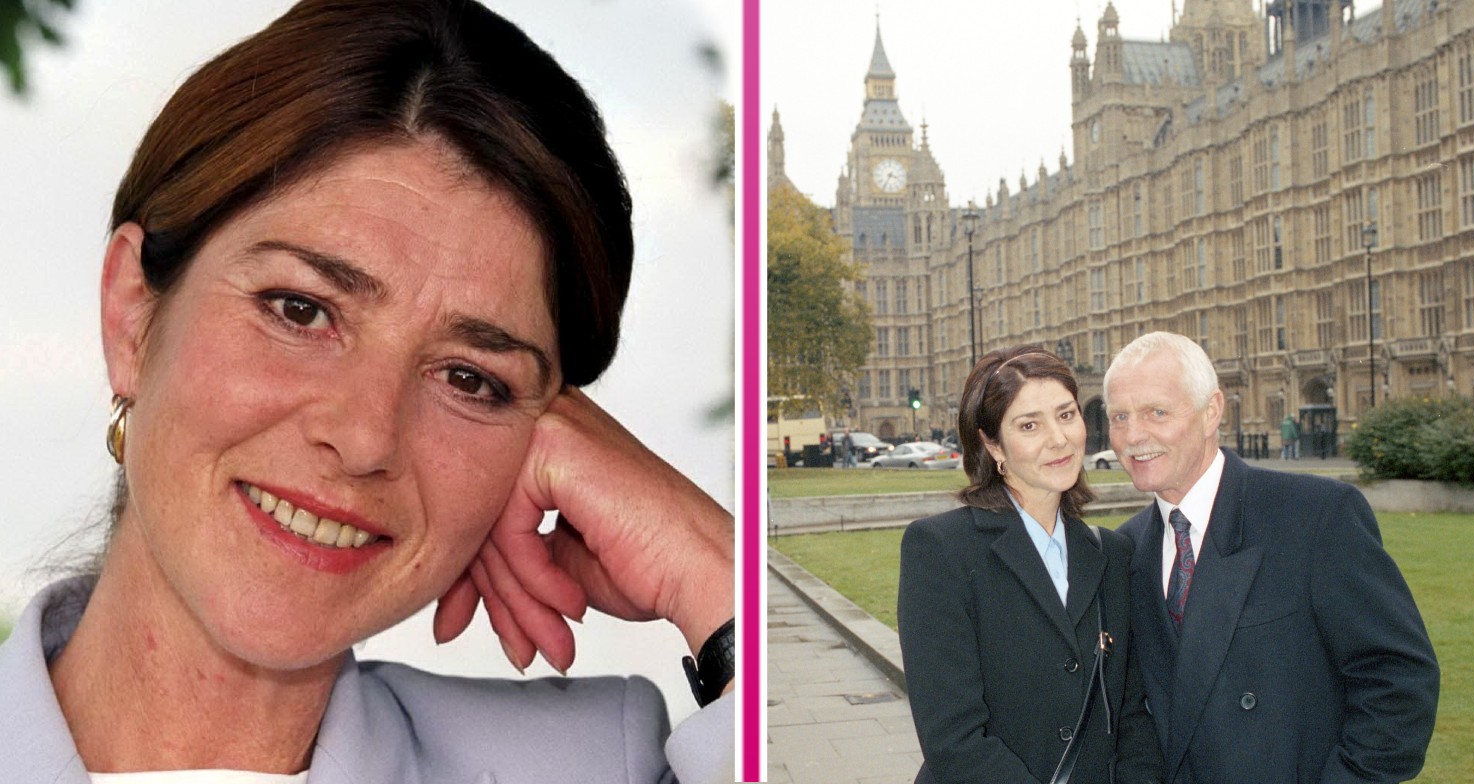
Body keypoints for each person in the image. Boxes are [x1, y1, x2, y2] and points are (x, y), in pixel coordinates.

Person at [0, 1, 734, 781]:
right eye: (301, 309)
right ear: (132, 316)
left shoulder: (596, 765)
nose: (366, 437)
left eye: (468, 379)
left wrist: (711, 569)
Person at [1103, 332, 1439, 784]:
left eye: (1156, 412)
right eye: (1119, 417)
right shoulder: (1126, 550)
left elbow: (1399, 681)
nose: (1133, 436)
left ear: (1212, 412)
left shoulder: (1315, 516)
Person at [898, 346, 1162, 784]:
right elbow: (953, 739)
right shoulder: (942, 550)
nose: (1058, 439)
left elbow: (1131, 716)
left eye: (1065, 415)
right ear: (991, 443)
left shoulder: (1111, 553)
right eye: (1029, 425)